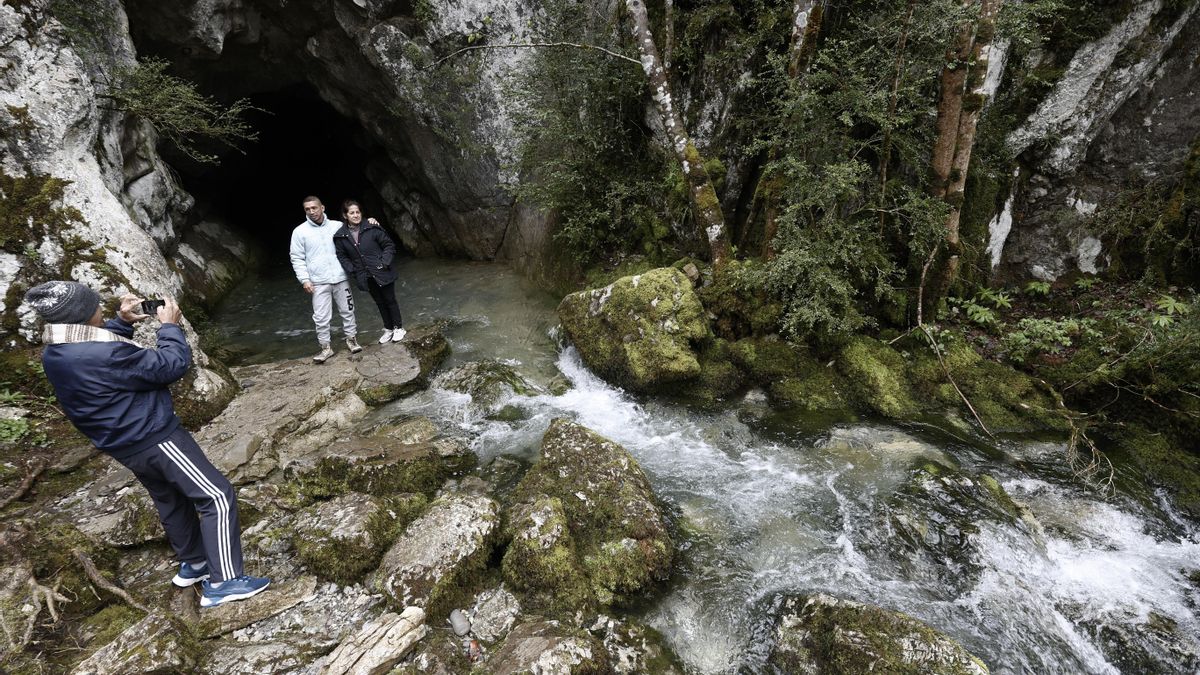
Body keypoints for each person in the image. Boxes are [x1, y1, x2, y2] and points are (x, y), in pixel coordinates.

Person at [22, 281, 270, 608]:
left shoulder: (57, 350)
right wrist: (169, 327)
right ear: (82, 315)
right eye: (95, 306)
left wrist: (122, 323)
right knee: (216, 496)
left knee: (169, 498)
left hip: (122, 443)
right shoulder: (100, 353)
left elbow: (105, 357)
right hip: (154, 436)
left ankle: (194, 562)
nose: (100, 308)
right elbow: (170, 366)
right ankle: (224, 581)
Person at [290, 195, 362, 363]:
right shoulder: (300, 232)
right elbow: (297, 258)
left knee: (348, 311)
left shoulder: (338, 226)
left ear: (322, 208)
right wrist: (304, 280)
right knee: (321, 317)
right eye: (307, 209)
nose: (311, 211)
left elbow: (357, 231)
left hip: (340, 277)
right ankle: (325, 348)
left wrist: (372, 221)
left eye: (314, 208)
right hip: (318, 281)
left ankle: (352, 340)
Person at [333, 199, 406, 344]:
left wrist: (384, 263)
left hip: (382, 271)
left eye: (357, 212)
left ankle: (399, 328)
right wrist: (352, 270)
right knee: (379, 302)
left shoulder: (372, 228)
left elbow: (389, 246)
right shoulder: (341, 236)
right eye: (352, 213)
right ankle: (388, 329)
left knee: (390, 300)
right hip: (364, 274)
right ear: (345, 215)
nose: (355, 215)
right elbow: (342, 256)